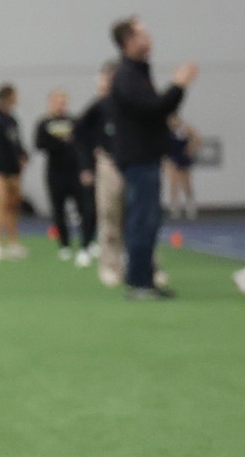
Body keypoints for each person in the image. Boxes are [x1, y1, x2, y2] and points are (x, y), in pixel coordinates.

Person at [109, 16, 198, 301]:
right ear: (128, 41)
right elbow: (153, 110)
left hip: (145, 157)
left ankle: (144, 279)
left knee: (148, 220)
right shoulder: (127, 75)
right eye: (142, 35)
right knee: (141, 220)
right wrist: (178, 86)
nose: (149, 40)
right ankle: (138, 282)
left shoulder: (138, 72)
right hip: (138, 159)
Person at [33, 90, 85, 261]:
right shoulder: (44, 123)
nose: (61, 104)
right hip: (55, 173)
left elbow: (81, 143)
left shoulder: (73, 121)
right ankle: (64, 245)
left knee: (83, 208)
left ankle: (86, 243)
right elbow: (40, 144)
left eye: (63, 101)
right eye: (57, 101)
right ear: (51, 102)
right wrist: (59, 143)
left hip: (74, 172)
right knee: (59, 210)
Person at [74, 62, 116, 276]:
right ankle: (85, 246)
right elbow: (79, 134)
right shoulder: (98, 107)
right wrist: (86, 166)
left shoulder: (126, 105)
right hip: (101, 166)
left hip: (126, 165)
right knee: (93, 209)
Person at [0, 84, 27, 261]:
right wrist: (1, 169)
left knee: (12, 206)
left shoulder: (12, 119)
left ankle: (13, 243)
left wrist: (23, 155)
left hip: (14, 169)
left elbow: (16, 143)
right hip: (1, 170)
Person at [164, 114, 201, 221]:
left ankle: (190, 207)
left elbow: (198, 138)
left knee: (187, 183)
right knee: (173, 183)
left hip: (183, 158)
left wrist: (191, 149)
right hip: (173, 158)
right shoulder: (167, 131)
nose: (173, 122)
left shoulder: (185, 128)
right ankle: (175, 208)